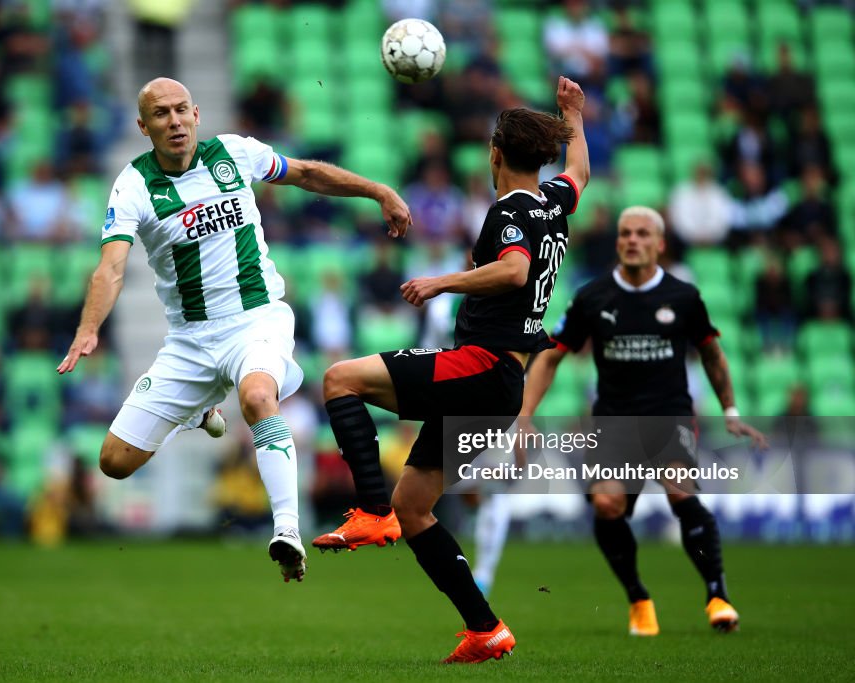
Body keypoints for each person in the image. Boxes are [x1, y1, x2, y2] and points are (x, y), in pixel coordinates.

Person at [57, 78, 411, 583]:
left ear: (197, 114)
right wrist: (88, 330)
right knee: (114, 462)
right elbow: (111, 267)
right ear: (143, 126)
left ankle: (286, 529)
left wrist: (377, 190)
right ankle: (199, 408)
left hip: (257, 320)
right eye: (161, 114)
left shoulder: (235, 154)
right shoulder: (133, 185)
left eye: (182, 110)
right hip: (189, 342)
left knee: (258, 395)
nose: (174, 121)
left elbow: (307, 174)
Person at [314, 77, 590, 663]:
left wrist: (444, 281)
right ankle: (485, 628)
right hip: (500, 382)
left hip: (482, 366)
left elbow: (514, 271)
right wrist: (575, 118)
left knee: (340, 379)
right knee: (417, 508)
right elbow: (581, 174)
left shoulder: (509, 210)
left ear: (494, 154)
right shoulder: (553, 203)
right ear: (541, 158)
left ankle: (369, 512)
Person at [518, 205, 767, 636]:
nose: (633, 240)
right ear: (617, 242)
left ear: (660, 244)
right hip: (614, 422)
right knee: (608, 504)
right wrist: (524, 414)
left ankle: (718, 595)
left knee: (679, 492)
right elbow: (551, 357)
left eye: (642, 234)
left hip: (669, 416)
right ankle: (638, 598)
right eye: (626, 233)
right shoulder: (593, 297)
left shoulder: (683, 298)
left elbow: (711, 353)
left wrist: (730, 411)